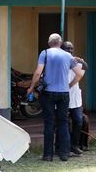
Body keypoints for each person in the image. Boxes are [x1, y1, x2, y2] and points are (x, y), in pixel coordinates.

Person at [27, 33, 85, 162]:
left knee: (49, 123)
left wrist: (31, 87)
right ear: (60, 43)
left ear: (49, 43)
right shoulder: (68, 56)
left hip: (48, 92)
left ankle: (48, 155)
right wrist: (69, 85)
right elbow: (80, 73)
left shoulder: (45, 53)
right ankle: (64, 154)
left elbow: (38, 73)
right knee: (63, 122)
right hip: (64, 93)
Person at [62, 41, 88, 157]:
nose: (70, 51)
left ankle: (75, 145)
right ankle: (63, 147)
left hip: (75, 98)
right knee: (64, 123)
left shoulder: (75, 61)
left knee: (78, 121)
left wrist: (81, 60)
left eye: (71, 49)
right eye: (67, 49)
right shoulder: (60, 61)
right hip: (62, 96)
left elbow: (85, 67)